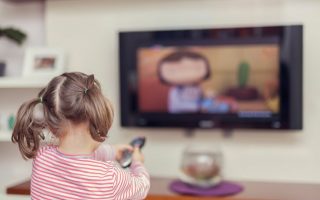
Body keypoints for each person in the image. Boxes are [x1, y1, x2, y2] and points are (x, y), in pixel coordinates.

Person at [12, 72, 150, 200]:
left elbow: (77, 157)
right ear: (99, 120)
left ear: (52, 127)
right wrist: (137, 163)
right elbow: (142, 185)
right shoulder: (111, 178)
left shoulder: (42, 158)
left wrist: (113, 152)